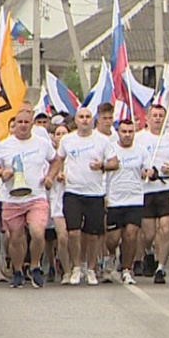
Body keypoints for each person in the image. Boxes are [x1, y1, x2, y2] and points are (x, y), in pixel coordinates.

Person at [0, 107, 60, 289]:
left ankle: (35, 266)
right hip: (12, 198)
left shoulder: (42, 144)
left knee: (37, 232)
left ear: (32, 124)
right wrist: (1, 172)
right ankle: (18, 270)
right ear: (14, 125)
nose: (23, 125)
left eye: (26, 122)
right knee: (16, 237)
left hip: (36, 196)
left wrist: (50, 176)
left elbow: (56, 160)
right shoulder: (4, 146)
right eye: (19, 122)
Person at [57, 107, 119, 286]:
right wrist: (59, 174)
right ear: (75, 120)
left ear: (93, 120)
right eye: (81, 117)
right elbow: (58, 160)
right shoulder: (67, 140)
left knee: (93, 234)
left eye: (87, 117)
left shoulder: (102, 141)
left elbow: (114, 163)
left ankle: (91, 269)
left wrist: (103, 165)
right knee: (73, 231)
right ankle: (77, 267)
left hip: (95, 193)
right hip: (73, 192)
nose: (84, 120)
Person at [136, 104, 169, 284]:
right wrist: (143, 171)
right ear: (147, 118)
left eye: (160, 116)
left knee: (165, 228)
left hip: (166, 188)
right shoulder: (140, 139)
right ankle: (148, 252)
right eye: (154, 115)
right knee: (147, 233)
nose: (157, 119)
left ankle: (161, 268)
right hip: (146, 189)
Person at [106, 120, 152, 285]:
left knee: (131, 235)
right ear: (118, 132)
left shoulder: (141, 151)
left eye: (130, 132)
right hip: (114, 199)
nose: (127, 135)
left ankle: (127, 269)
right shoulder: (111, 149)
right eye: (124, 132)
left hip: (135, 198)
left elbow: (148, 169)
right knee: (112, 238)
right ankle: (111, 256)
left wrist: (148, 172)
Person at [47, 122, 71, 283]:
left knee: (67, 236)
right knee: (51, 237)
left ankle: (67, 267)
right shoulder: (49, 157)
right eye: (58, 134)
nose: (61, 137)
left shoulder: (73, 156)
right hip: (52, 199)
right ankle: (51, 264)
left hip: (70, 199)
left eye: (64, 133)